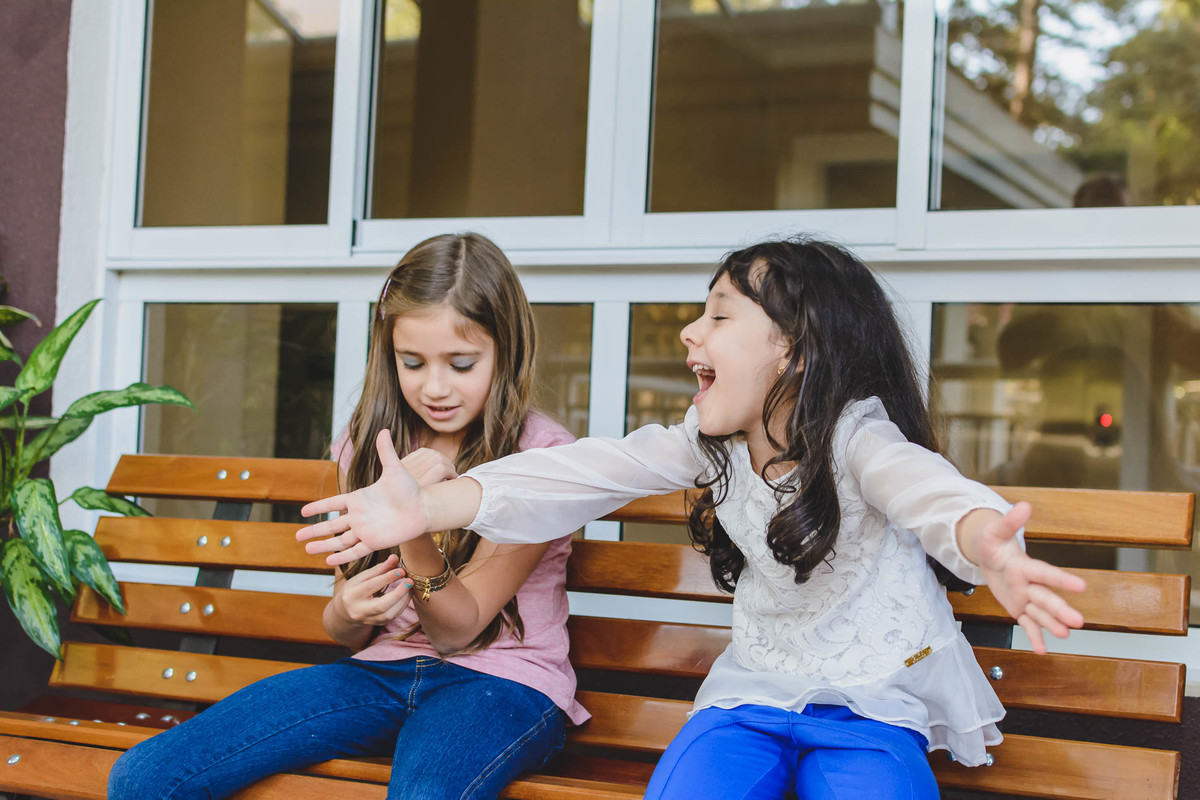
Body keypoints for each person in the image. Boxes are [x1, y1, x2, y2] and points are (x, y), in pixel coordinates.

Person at [297, 236, 1086, 800]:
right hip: (751, 701)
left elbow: (930, 491)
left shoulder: (858, 439)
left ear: (796, 349)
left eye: (718, 316)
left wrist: (991, 547)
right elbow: (575, 474)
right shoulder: (706, 444)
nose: (689, 332)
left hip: (871, 705)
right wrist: (427, 504)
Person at [108, 233, 586, 800]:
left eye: (461, 364)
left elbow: (458, 630)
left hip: (503, 683)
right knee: (144, 778)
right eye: (412, 362)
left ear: (507, 351)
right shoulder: (365, 444)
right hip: (381, 671)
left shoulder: (542, 458)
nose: (435, 387)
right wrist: (347, 608)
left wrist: (413, 516)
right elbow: (344, 627)